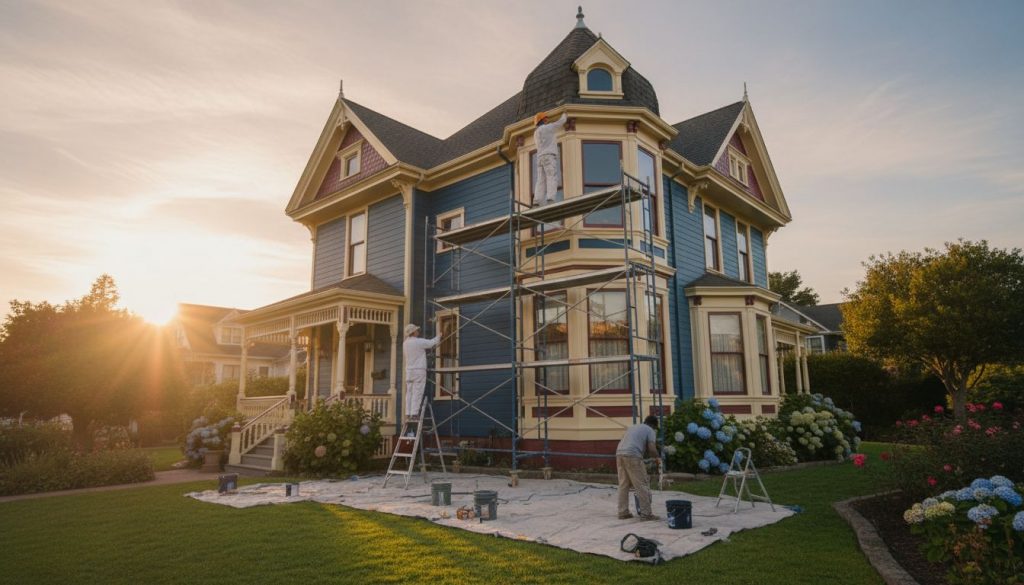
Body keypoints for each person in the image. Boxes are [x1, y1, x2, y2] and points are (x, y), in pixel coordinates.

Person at [616, 415, 661, 520]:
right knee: (641, 484)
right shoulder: (650, 430)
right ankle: (646, 514)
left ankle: (623, 512)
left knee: (623, 484)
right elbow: (652, 449)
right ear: (653, 425)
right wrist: (657, 458)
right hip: (633, 455)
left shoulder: (633, 427)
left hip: (619, 454)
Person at [402, 322, 440, 421]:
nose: (418, 331)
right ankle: (414, 414)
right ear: (413, 332)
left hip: (409, 371)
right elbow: (431, 343)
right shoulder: (418, 342)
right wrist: (439, 335)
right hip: (418, 370)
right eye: (417, 330)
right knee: (417, 392)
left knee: (409, 393)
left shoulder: (405, 343)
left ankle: (408, 413)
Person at [532, 110, 569, 206]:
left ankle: (537, 200)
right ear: (543, 120)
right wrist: (565, 114)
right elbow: (560, 122)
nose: (547, 120)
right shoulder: (548, 128)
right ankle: (550, 198)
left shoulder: (536, 133)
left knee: (540, 180)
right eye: (545, 119)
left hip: (540, 158)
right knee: (551, 176)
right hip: (549, 156)